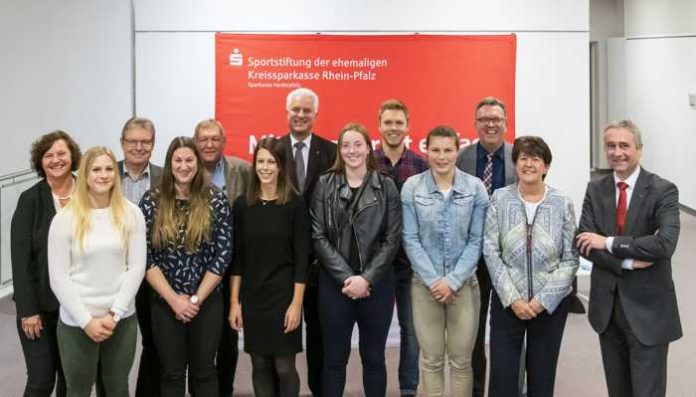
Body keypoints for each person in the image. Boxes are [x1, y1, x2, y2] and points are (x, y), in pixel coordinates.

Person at [576, 120, 681, 397]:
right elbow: (584, 243)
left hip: (648, 311)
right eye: (611, 146)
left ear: (639, 149)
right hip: (608, 311)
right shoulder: (595, 189)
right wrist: (628, 261)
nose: (617, 152)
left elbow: (663, 245)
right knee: (618, 391)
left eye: (624, 145)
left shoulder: (663, 190)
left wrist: (608, 242)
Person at [483, 136, 579, 397]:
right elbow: (491, 251)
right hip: (507, 303)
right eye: (523, 158)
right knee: (502, 379)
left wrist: (542, 301)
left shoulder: (562, 203)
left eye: (536, 159)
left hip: (549, 306)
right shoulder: (499, 200)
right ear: (515, 164)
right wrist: (513, 299)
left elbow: (570, 259)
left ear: (545, 166)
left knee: (542, 378)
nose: (529, 164)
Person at [47, 146, 147, 396]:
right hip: (77, 322)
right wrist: (86, 321)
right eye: (96, 169)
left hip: (121, 320)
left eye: (109, 168)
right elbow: (58, 277)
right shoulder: (64, 219)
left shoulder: (132, 213)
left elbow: (136, 267)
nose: (103, 175)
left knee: (116, 387)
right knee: (78, 390)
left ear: (116, 172)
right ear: (84, 175)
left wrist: (115, 314)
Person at [310, 123, 401, 397]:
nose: (352, 150)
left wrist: (366, 278)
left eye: (357, 144)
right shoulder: (324, 184)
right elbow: (318, 236)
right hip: (335, 287)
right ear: (339, 150)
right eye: (346, 145)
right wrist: (347, 278)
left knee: (373, 359)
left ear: (368, 147)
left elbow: (392, 238)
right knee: (334, 360)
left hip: (377, 286)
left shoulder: (386, 186)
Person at [140, 137, 233, 396]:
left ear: (198, 162)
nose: (184, 166)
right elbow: (145, 256)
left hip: (207, 301)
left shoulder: (216, 200)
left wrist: (194, 299)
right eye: (178, 160)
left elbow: (222, 255)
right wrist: (174, 300)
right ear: (170, 164)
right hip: (164, 301)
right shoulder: (151, 202)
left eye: (189, 160)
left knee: (204, 371)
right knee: (172, 373)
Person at [401, 126, 488, 396]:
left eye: (447, 150)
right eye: (435, 150)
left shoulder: (475, 189)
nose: (441, 157)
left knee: (462, 362)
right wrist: (434, 281)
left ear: (456, 151)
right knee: (431, 360)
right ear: (427, 152)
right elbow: (410, 239)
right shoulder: (412, 188)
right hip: (424, 287)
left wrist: (451, 281)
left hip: (464, 287)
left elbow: (477, 241)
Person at [229, 137, 310, 397]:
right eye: (260, 161)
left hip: (284, 296)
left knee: (285, 367)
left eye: (271, 162)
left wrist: (296, 304)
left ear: (281, 166)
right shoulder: (243, 205)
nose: (265, 167)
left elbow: (302, 259)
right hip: (253, 297)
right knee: (260, 363)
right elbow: (237, 258)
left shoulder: (295, 205)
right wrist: (234, 302)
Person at [455, 96, 517, 397]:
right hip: (473, 260)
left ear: (506, 123)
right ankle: (476, 390)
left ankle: (507, 390)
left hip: (510, 260)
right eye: (484, 119)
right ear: (475, 124)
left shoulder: (521, 158)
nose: (490, 124)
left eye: (496, 119)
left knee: (509, 331)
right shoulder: (461, 158)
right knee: (473, 333)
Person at [11, 130, 81, 397]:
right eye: (48, 155)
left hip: (77, 306)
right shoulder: (30, 200)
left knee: (70, 378)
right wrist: (28, 311)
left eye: (61, 153)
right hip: (39, 307)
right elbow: (20, 260)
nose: (55, 160)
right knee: (41, 380)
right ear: (40, 162)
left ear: (72, 156)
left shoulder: (88, 194)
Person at [279, 87, 336, 396]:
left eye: (306, 111)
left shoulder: (330, 152)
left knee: (319, 338)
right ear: (287, 113)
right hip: (280, 263)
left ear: (315, 115)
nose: (300, 115)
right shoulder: (272, 150)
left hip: (319, 263)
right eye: (295, 110)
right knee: (279, 342)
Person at [373, 99, 428, 396]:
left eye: (399, 123)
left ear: (408, 126)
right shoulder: (366, 162)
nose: (393, 128)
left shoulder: (421, 165)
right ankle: (377, 387)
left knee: (411, 331)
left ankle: (408, 388)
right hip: (376, 266)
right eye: (388, 122)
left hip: (410, 264)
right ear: (379, 125)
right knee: (376, 333)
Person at [194, 118, 249, 397]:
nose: (209, 144)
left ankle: (224, 391)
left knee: (228, 339)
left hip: (230, 269)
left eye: (215, 139)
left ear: (223, 143)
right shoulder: (183, 170)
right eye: (203, 139)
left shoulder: (242, 170)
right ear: (195, 142)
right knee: (197, 339)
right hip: (192, 270)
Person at [117, 116, 163, 397]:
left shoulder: (165, 177)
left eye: (145, 142)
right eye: (132, 141)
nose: (138, 147)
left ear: (153, 145)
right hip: (112, 273)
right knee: (111, 342)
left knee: (154, 343)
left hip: (151, 272)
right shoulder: (105, 174)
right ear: (122, 143)